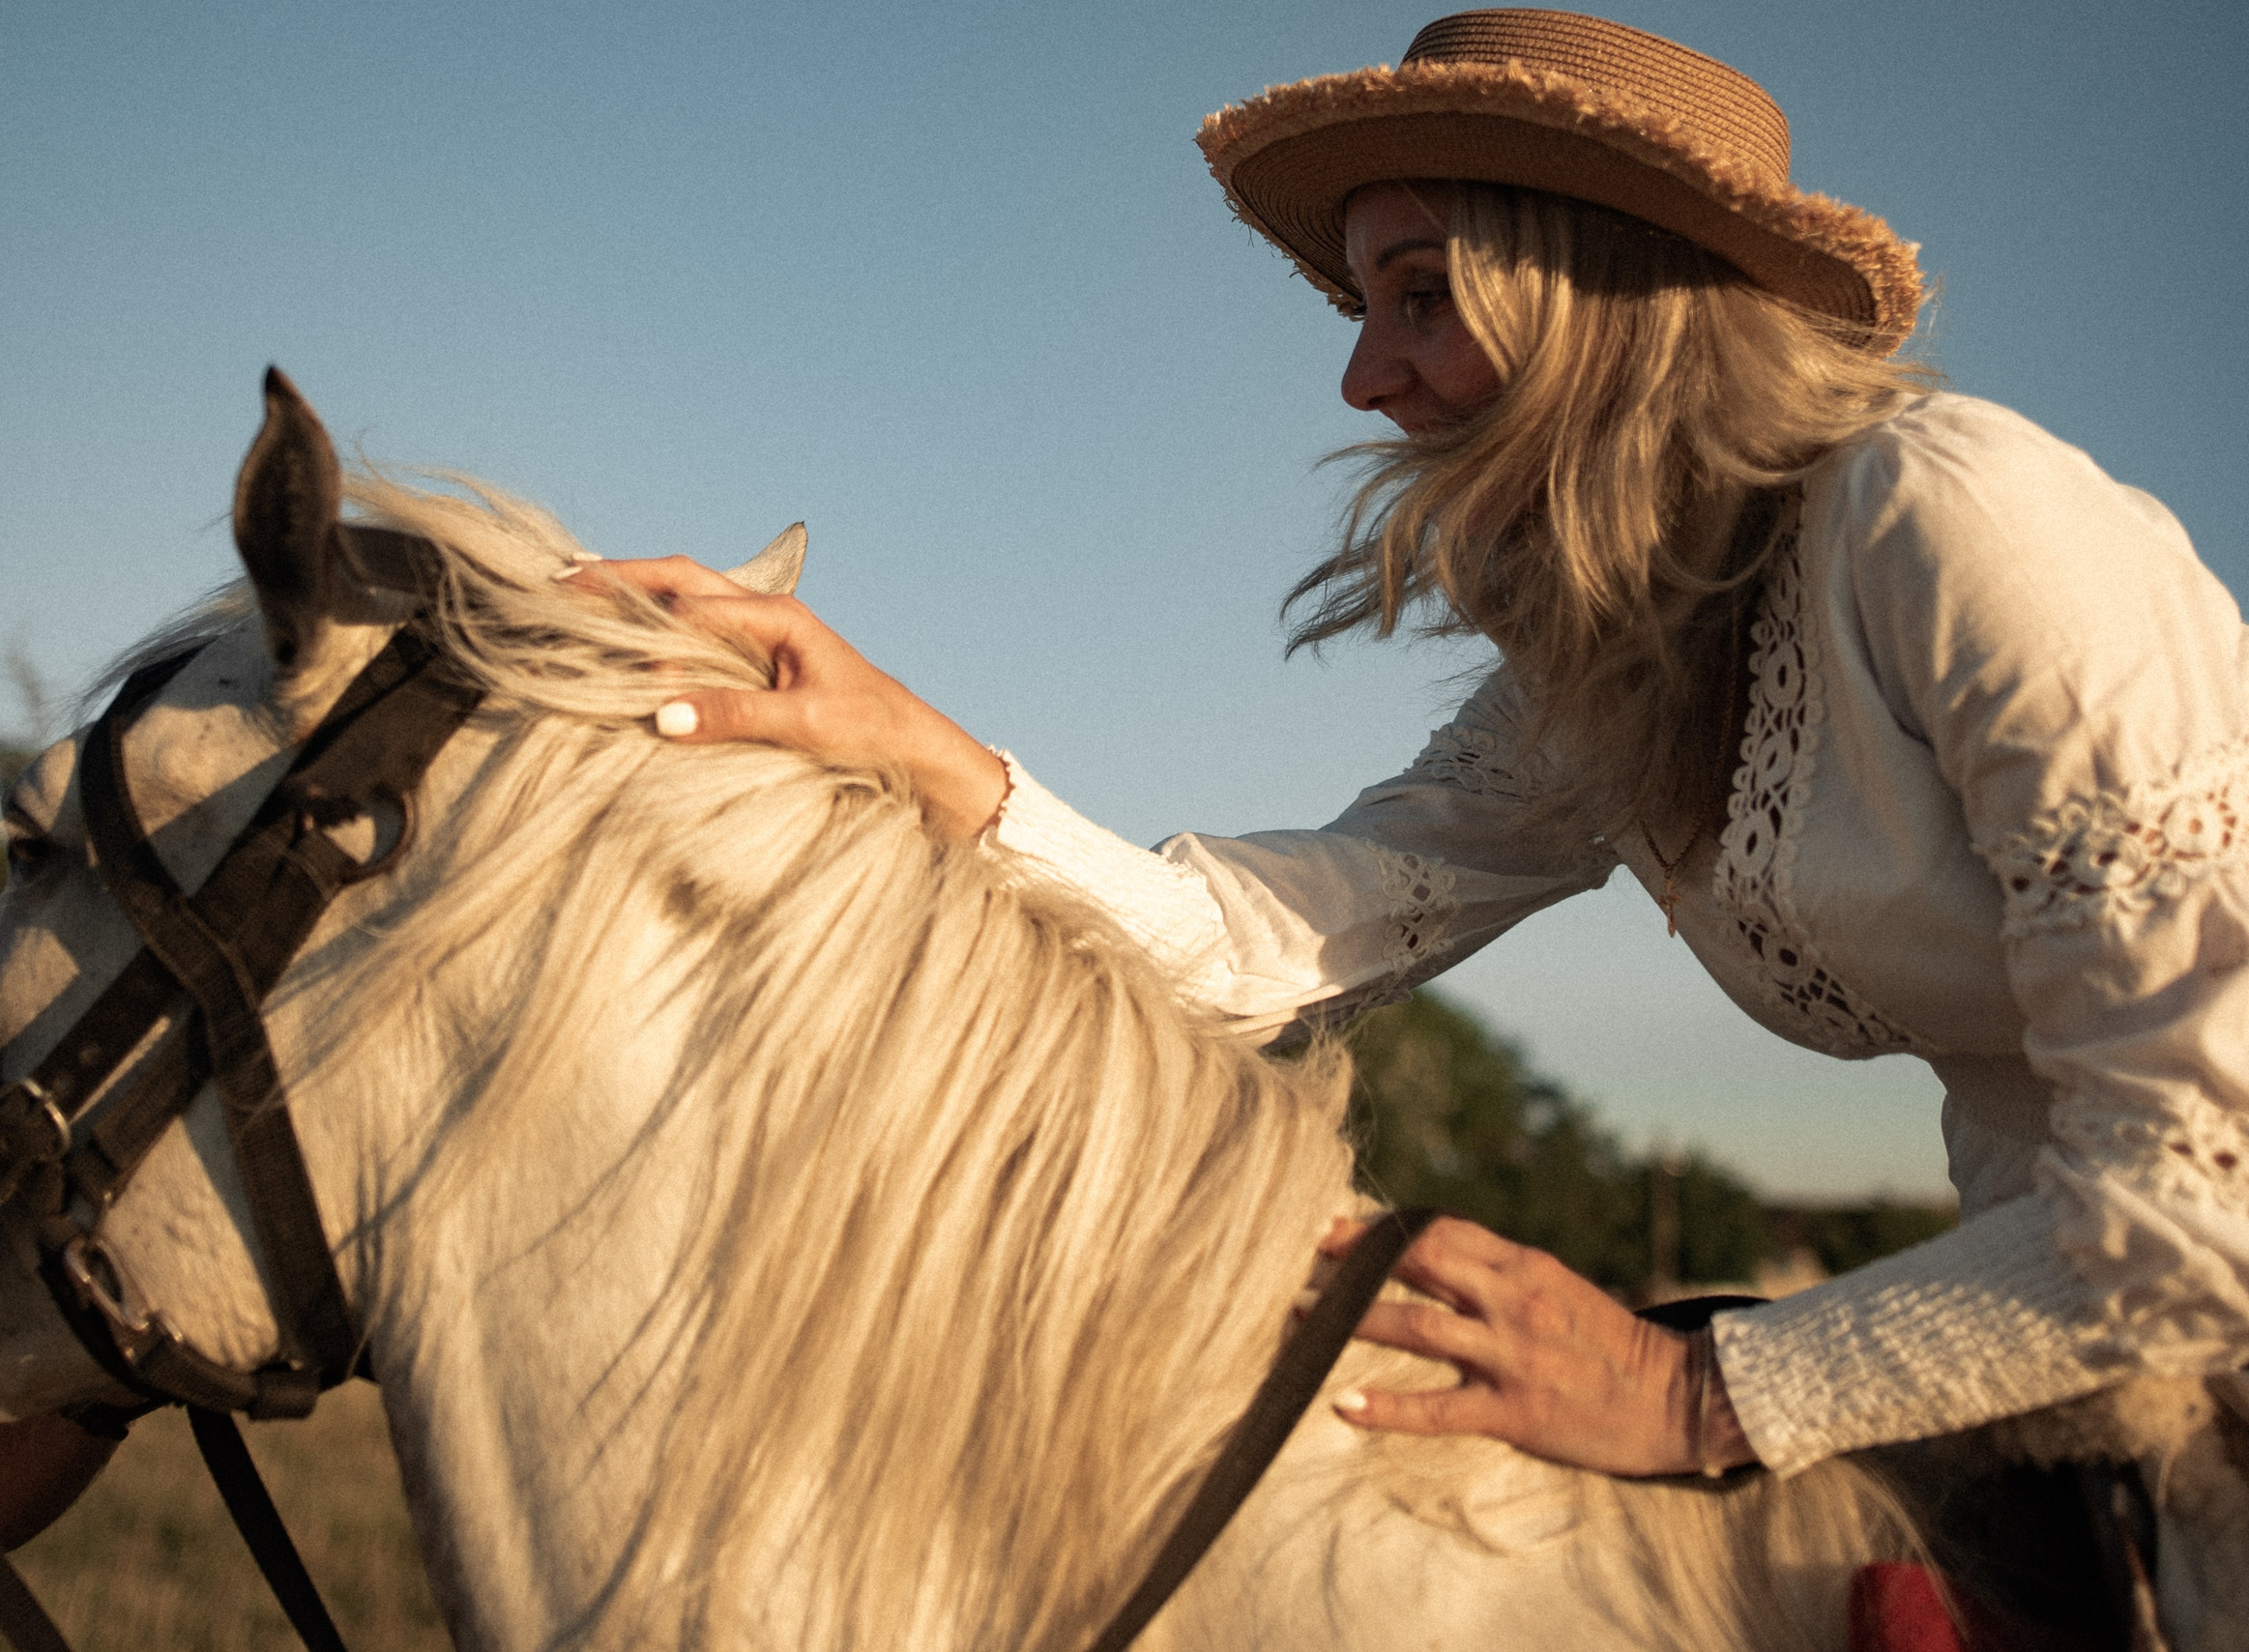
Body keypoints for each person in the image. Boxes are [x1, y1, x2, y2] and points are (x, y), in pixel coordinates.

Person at [579, 7, 2249, 1490]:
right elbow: (1276, 953)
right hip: (2093, 1388)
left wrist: (1695, 1386)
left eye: (1421, 294)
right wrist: (925, 752)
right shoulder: (1614, 668)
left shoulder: (1952, 516)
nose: (1364, 374)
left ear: (1606, 294)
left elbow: (2209, 1201)